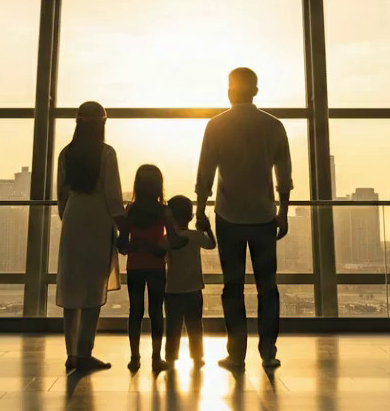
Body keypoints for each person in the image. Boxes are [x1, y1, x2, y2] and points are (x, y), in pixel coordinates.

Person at [196, 67, 291, 371]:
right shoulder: (273, 125)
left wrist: (200, 211)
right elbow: (284, 176)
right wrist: (283, 212)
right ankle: (268, 352)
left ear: (229, 92)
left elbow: (205, 173)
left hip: (228, 217)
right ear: (256, 91)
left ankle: (236, 355)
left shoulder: (216, 125)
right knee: (268, 287)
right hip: (264, 217)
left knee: (232, 287)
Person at [56, 101, 127, 372]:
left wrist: (70, 219)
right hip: (98, 220)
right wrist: (124, 230)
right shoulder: (106, 153)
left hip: (73, 219)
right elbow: (113, 197)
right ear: (102, 123)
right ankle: (85, 353)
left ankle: (71, 353)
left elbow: (61, 197)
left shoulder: (67, 153)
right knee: (92, 289)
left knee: (72, 287)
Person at [121, 164, 177, 373]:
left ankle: (135, 357)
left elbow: (122, 243)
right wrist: (158, 246)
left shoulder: (130, 210)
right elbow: (172, 238)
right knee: (156, 312)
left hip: (135, 266)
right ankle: (156, 357)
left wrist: (137, 246)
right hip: (156, 266)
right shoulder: (164, 211)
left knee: (135, 312)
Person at [164, 195, 215, 367]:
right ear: (191, 216)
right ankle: (197, 356)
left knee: (172, 326)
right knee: (195, 326)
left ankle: (171, 356)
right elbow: (212, 244)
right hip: (194, 289)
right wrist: (208, 229)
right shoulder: (196, 236)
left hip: (171, 289)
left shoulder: (167, 239)